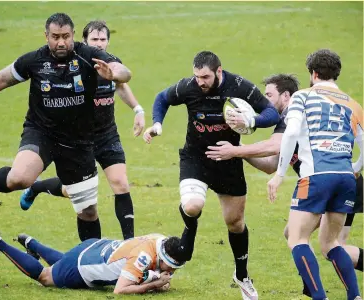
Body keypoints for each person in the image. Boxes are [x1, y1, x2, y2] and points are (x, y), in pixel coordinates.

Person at [0, 13, 132, 242]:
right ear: (46, 36)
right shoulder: (34, 60)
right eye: (55, 37)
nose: (61, 42)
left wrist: (115, 74)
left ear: (74, 36)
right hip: (42, 132)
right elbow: (2, 79)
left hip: (79, 142)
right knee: (19, 179)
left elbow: (124, 71)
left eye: (66, 36)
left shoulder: (88, 55)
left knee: (88, 211)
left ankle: (87, 265)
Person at [206, 73, 364, 297]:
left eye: (269, 95)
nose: (265, 101)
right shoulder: (290, 118)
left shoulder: (295, 112)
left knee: (324, 244)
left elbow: (274, 146)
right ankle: (316, 289)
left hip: (325, 179)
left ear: (286, 95)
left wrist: (235, 150)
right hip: (344, 179)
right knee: (303, 236)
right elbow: (271, 163)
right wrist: (240, 148)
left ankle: (318, 293)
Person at [143, 51, 280, 300]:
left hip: (228, 159)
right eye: (197, 76)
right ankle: (189, 235)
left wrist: (253, 120)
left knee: (235, 223)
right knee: (193, 206)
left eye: (205, 77)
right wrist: (157, 123)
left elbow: (272, 113)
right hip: (195, 158)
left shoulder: (239, 86)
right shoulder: (188, 87)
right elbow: (161, 98)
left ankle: (242, 276)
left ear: (218, 71)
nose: (200, 82)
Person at [20, 20, 145, 240]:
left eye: (103, 39)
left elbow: (121, 85)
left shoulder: (111, 64)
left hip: (107, 134)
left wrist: (137, 109)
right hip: (78, 139)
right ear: (84, 42)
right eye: (94, 40)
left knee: (121, 183)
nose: (99, 44)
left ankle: (130, 244)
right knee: (73, 192)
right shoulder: (78, 64)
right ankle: (38, 187)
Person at [267, 49, 363, 300]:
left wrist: (279, 174)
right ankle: (354, 296)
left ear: (313, 73)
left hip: (316, 177)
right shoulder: (352, 103)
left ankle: (320, 297)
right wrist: (355, 167)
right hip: (345, 179)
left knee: (297, 239)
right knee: (330, 244)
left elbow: (290, 133)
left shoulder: (303, 97)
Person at [0, 227, 185, 294]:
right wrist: (155, 283)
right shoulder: (144, 257)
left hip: (95, 246)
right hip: (85, 266)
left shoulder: (159, 240)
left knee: (65, 261)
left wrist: (154, 278)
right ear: (163, 256)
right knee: (46, 276)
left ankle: (32, 244)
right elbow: (120, 290)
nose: (172, 272)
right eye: (171, 267)